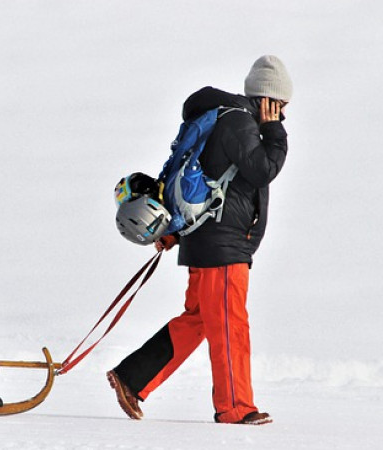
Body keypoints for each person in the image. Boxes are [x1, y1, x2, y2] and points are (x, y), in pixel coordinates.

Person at [106, 55, 292, 425]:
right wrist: (274, 133)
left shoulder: (224, 119)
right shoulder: (239, 123)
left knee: (201, 320)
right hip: (222, 245)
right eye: (281, 106)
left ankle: (132, 377)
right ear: (268, 99)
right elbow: (262, 170)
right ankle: (236, 408)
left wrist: (176, 230)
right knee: (229, 324)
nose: (283, 114)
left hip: (212, 240)